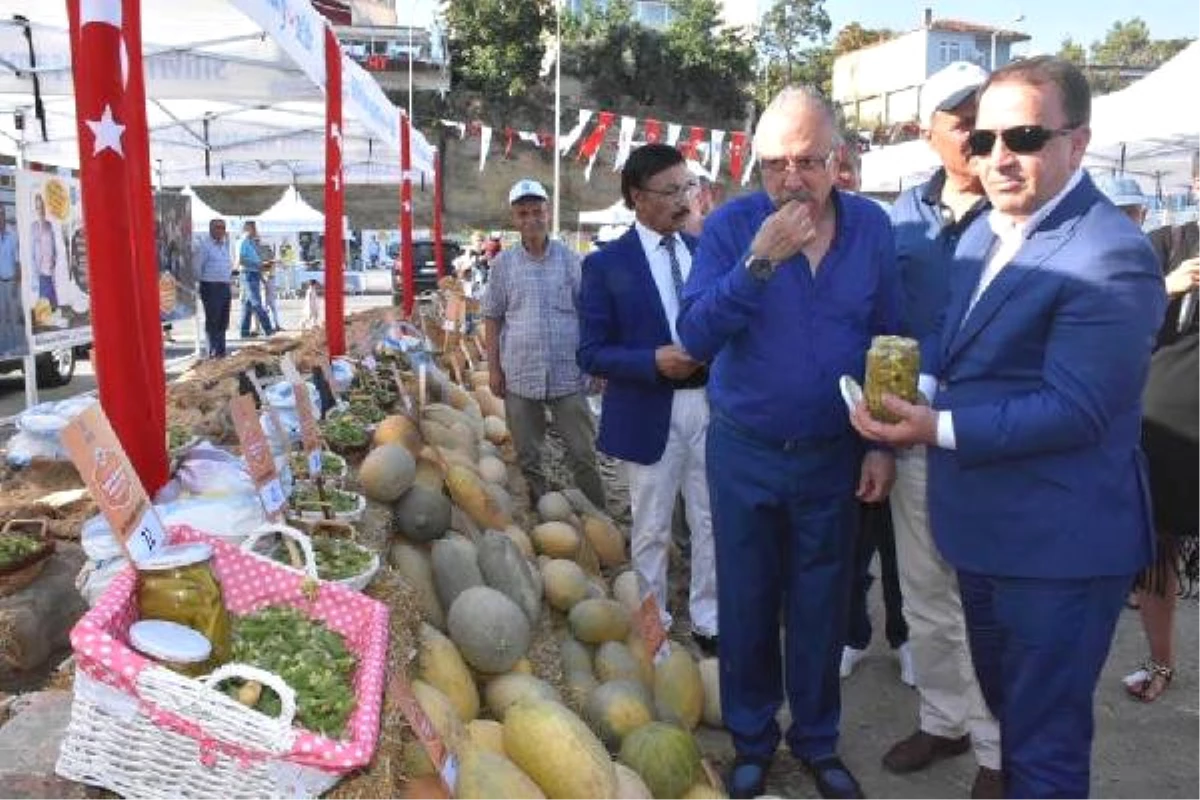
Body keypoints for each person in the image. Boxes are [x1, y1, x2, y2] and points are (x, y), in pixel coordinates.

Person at [850, 56, 1166, 798]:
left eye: (1022, 136)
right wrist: (902, 403)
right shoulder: (981, 237)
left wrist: (933, 427)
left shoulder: (1111, 255)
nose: (997, 158)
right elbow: (953, 356)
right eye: (984, 140)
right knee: (1012, 722)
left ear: (1077, 144)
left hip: (1059, 548)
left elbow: (1077, 407)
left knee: (1046, 748)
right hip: (982, 536)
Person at [677, 85, 899, 800]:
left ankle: (816, 740)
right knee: (746, 602)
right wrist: (760, 261)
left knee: (821, 604)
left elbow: (889, 338)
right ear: (754, 163)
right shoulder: (732, 227)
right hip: (744, 452)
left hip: (834, 453)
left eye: (808, 160)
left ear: (838, 159)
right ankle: (752, 738)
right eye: (775, 162)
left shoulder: (871, 228)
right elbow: (694, 335)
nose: (792, 177)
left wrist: (883, 445)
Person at [881, 61, 1002, 798]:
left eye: (984, 116)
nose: (978, 133)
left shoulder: (1023, 205)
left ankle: (997, 746)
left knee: (984, 596)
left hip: (989, 434)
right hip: (912, 431)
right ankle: (944, 720)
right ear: (930, 132)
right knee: (923, 590)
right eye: (961, 120)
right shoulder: (902, 213)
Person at [578, 143, 718, 656]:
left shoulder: (705, 253)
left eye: (688, 186)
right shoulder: (606, 265)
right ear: (637, 198)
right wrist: (652, 361)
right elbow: (591, 353)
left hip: (709, 406)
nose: (684, 200)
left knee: (709, 519)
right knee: (653, 528)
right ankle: (653, 627)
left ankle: (709, 619)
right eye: (671, 191)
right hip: (649, 409)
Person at [1098, 170, 1200, 704]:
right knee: (1158, 556)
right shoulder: (1165, 244)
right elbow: (1112, 321)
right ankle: (1161, 662)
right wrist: (1168, 286)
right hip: (1165, 429)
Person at [831, 132, 913, 691]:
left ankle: (905, 637)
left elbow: (894, 317)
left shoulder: (880, 228)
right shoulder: (802, 238)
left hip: (898, 410)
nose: (836, 183)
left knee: (898, 542)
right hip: (836, 423)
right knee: (853, 542)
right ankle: (854, 635)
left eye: (844, 171)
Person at [481, 179, 606, 510]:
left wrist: (597, 364)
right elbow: (492, 318)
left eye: (537, 211)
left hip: (568, 374)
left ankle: (598, 515)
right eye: (523, 213)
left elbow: (591, 314)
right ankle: (542, 514)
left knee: (582, 451)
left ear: (548, 213)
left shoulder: (570, 260)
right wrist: (493, 369)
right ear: (514, 218)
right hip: (520, 375)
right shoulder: (502, 266)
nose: (531, 219)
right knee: (528, 454)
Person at [193, 218, 234, 358]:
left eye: (223, 227)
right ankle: (213, 351)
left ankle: (221, 351)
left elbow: (227, 264)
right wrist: (202, 283)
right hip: (211, 286)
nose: (221, 230)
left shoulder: (224, 245)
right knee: (213, 320)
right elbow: (197, 267)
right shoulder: (204, 246)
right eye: (218, 227)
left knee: (223, 320)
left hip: (224, 285)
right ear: (211, 229)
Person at [236, 220, 274, 338]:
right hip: (248, 274)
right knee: (256, 303)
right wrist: (259, 265)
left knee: (247, 304)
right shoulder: (242, 242)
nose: (256, 231)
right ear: (247, 229)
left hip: (254, 273)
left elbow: (253, 259)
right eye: (254, 228)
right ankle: (268, 329)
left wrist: (262, 265)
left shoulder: (251, 242)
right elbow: (241, 260)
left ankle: (244, 331)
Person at [29, 193, 58, 309]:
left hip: (51, 272)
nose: (40, 210)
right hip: (41, 273)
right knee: (45, 308)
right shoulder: (33, 227)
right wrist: (35, 274)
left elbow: (54, 248)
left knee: (53, 306)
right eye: (38, 207)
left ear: (44, 207)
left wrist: (54, 262)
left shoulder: (50, 225)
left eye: (42, 207)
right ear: (36, 209)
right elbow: (32, 253)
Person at [0, 205, 21, 355]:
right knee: (2, 318)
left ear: (4, 215)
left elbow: (18, 261)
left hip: (11, 282)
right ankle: (5, 348)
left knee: (13, 318)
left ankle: (15, 348)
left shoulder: (12, 235)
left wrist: (16, 283)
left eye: (1, 213)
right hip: (0, 283)